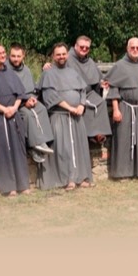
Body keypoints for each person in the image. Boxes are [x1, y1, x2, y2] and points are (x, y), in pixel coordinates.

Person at [38, 43, 94, 191]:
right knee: (64, 150)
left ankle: (81, 177)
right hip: (60, 117)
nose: (61, 56)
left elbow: (83, 91)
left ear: (67, 55)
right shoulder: (48, 74)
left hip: (76, 117)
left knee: (79, 148)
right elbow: (50, 96)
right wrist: (70, 108)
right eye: (58, 54)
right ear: (53, 56)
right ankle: (68, 179)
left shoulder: (73, 72)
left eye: (63, 54)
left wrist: (81, 105)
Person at [0, 44, 30, 197]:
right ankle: (8, 187)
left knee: (18, 149)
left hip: (13, 115)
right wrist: (4, 109)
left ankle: (23, 184)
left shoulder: (11, 73)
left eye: (3, 53)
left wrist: (14, 108)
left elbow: (20, 95)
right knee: (2, 151)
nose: (3, 56)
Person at [106, 37, 138, 180]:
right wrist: (116, 109)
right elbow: (113, 88)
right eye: (132, 47)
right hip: (125, 108)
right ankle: (123, 173)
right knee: (123, 140)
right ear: (127, 49)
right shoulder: (119, 66)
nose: (135, 50)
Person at [7, 43, 54, 161]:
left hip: (27, 99)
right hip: (15, 104)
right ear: (9, 55)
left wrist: (33, 98)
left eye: (18, 56)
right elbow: (8, 92)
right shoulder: (5, 70)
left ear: (24, 56)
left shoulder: (26, 70)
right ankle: (33, 147)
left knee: (42, 108)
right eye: (13, 56)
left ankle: (44, 141)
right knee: (27, 114)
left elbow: (31, 88)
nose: (16, 59)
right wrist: (23, 103)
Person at [66, 36, 112, 144]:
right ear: (75, 46)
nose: (84, 49)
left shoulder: (89, 61)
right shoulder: (67, 58)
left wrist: (101, 84)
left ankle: (99, 133)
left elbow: (97, 80)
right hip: (74, 93)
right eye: (82, 47)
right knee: (84, 105)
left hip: (89, 92)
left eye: (87, 48)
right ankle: (89, 135)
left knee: (100, 102)